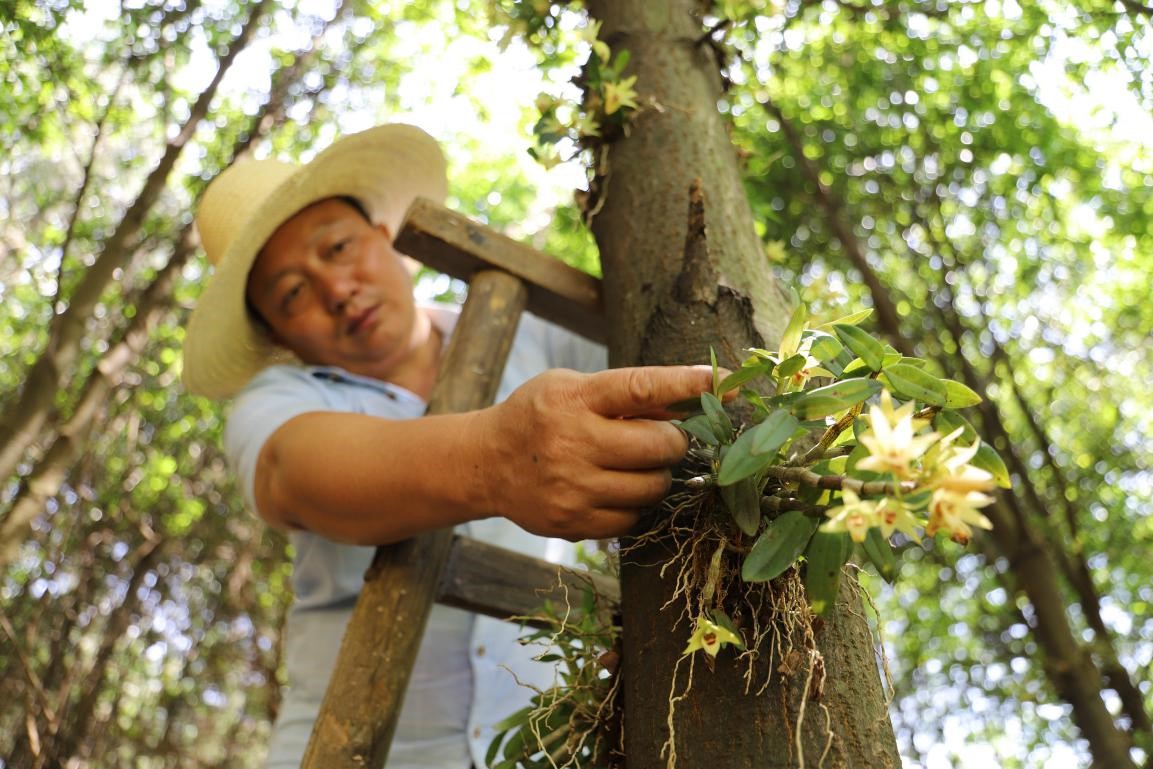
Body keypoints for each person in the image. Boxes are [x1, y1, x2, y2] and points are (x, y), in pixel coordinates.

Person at [182, 123, 717, 768]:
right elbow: (295, 470)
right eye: (292, 293)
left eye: (339, 247)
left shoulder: (533, 333)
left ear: (386, 238)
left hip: (540, 752)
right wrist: (497, 458)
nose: (336, 289)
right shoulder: (276, 402)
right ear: (278, 333)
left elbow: (673, 368)